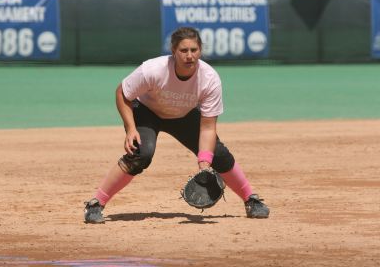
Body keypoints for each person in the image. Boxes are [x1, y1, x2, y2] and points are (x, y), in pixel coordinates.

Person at [84, 27, 269, 224]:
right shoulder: (153, 69)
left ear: (200, 50)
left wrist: (204, 164)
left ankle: (251, 199)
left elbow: (208, 127)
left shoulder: (209, 79)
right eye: (183, 50)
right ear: (173, 51)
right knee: (141, 154)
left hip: (184, 115)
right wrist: (130, 128)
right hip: (147, 112)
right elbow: (122, 93)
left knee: (219, 154)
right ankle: (95, 204)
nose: (189, 55)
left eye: (194, 50)